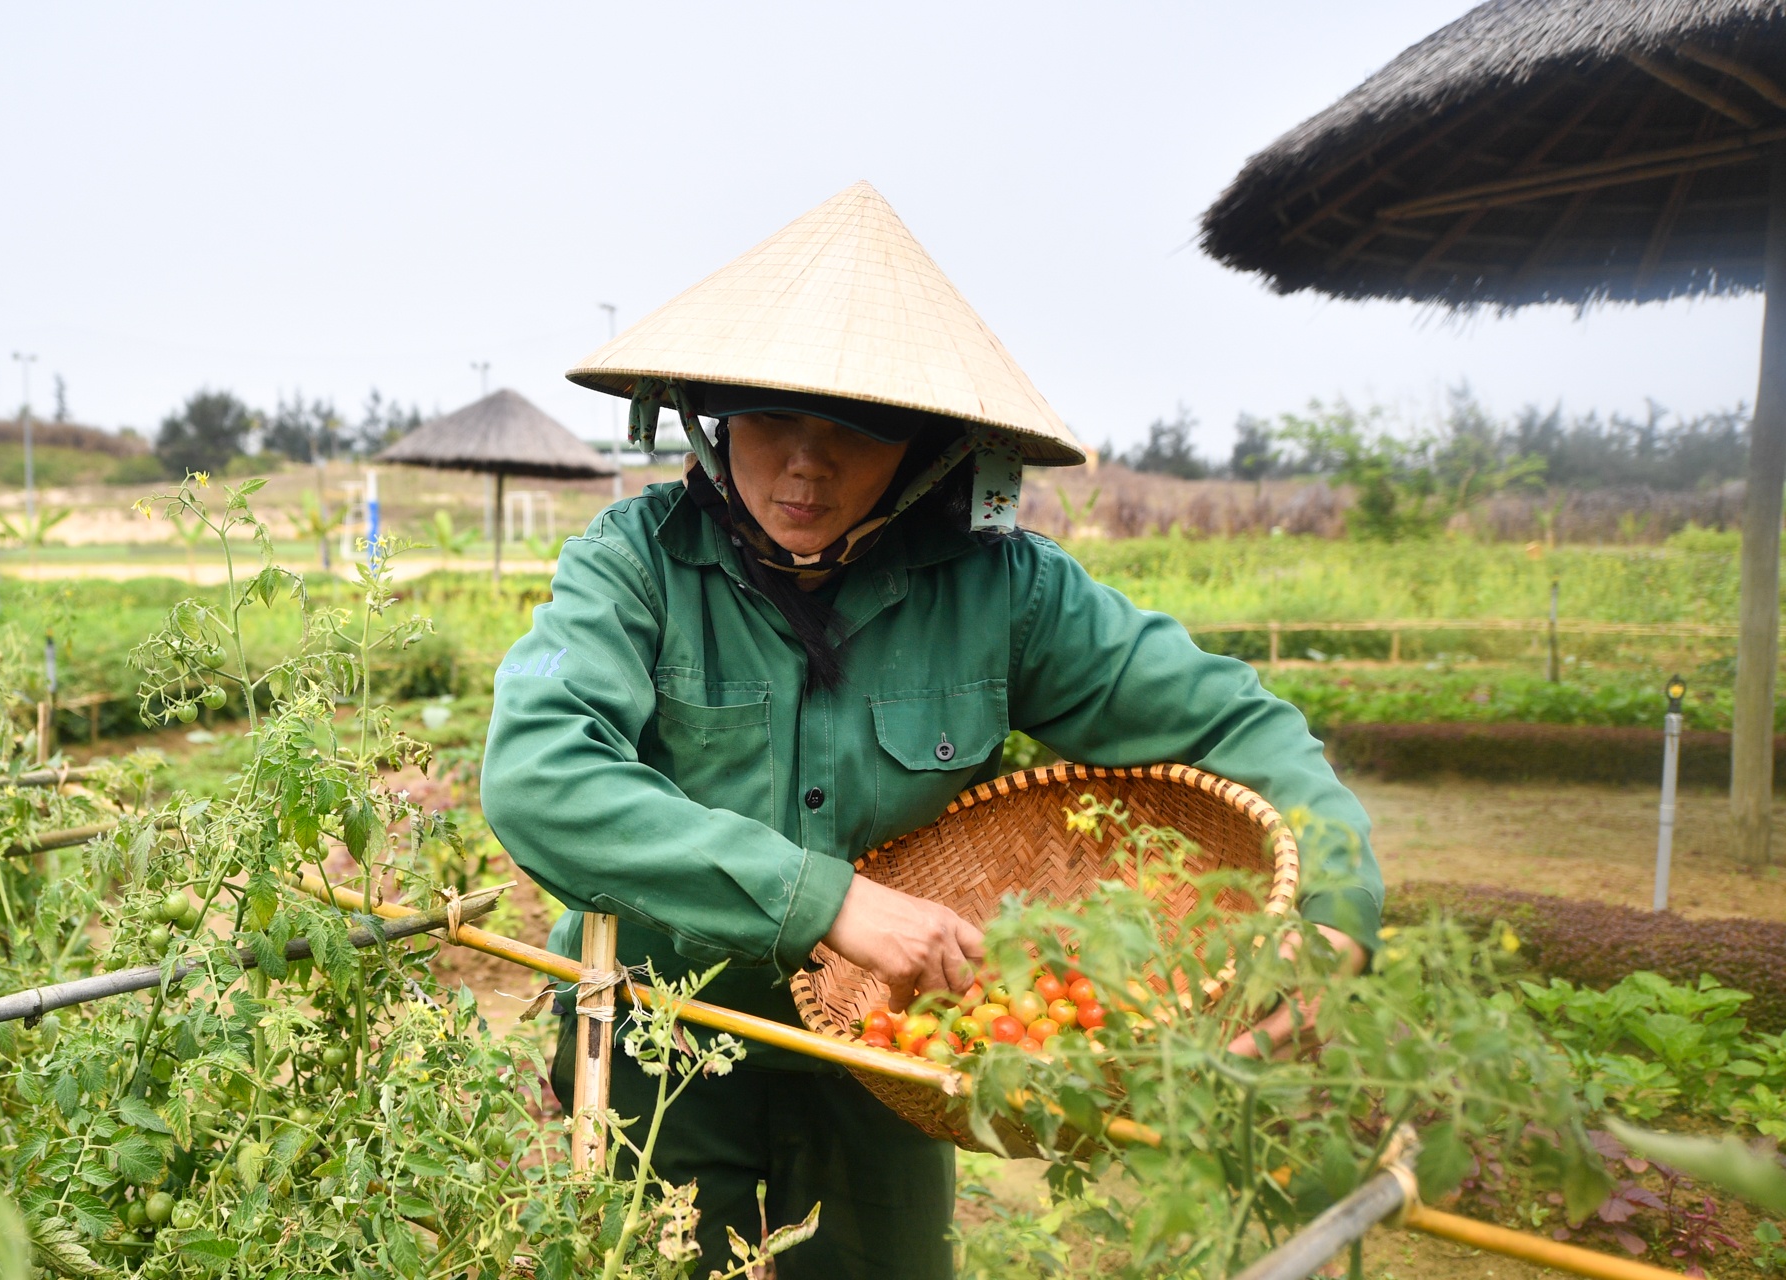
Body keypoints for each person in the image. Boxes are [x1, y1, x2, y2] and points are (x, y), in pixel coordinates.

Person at [480, 182, 1380, 1279]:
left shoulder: (1005, 592)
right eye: (769, 422)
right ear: (711, 424)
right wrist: (830, 901)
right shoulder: (634, 567)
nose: (805, 466)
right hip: (659, 1038)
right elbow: (538, 776)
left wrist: (1334, 905)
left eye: (853, 430)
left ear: (930, 449)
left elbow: (1234, 721)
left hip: (893, 1058)